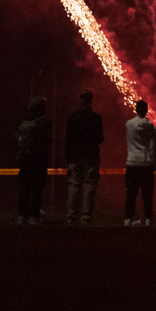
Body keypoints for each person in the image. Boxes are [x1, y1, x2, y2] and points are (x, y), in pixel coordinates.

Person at [64, 89, 104, 225]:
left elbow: (68, 139)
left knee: (74, 186)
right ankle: (86, 216)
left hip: (75, 156)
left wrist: (68, 157)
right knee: (89, 186)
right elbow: (100, 138)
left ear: (80, 100)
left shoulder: (72, 117)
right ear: (91, 100)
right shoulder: (96, 118)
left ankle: (71, 216)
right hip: (90, 156)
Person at [15, 97, 52, 225]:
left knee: (24, 189)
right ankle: (34, 217)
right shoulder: (43, 122)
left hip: (24, 160)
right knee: (36, 190)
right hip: (38, 161)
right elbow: (47, 141)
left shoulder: (24, 122)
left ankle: (21, 216)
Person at [124, 99, 156, 226]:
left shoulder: (129, 124)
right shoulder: (150, 126)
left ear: (136, 109)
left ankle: (128, 218)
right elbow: (152, 146)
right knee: (147, 193)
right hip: (146, 162)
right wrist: (154, 162)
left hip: (132, 162)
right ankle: (148, 218)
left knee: (131, 193)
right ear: (146, 110)